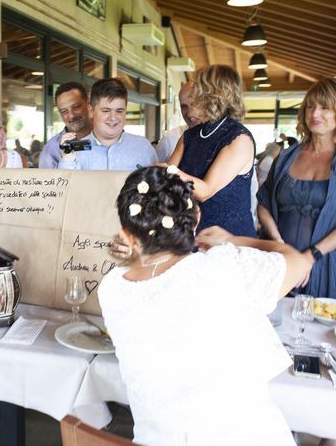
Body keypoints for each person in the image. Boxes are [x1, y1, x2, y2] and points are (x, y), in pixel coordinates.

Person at [99, 166, 311, 446]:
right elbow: (299, 261)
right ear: (196, 217)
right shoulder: (225, 267)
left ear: (127, 234)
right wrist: (234, 240)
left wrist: (135, 252)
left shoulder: (111, 288)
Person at [257, 78, 336, 302]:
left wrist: (310, 257)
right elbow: (263, 204)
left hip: (327, 264)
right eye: (310, 106)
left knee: (324, 330)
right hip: (278, 261)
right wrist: (278, 244)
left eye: (325, 107)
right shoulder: (286, 156)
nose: (315, 113)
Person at [166, 65, 256, 237]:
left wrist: (166, 170)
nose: (192, 94)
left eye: (198, 89)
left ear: (215, 95)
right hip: (190, 235)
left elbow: (205, 191)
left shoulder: (239, 138)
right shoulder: (189, 136)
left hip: (229, 240)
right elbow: (166, 184)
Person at [58, 78, 157, 170]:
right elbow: (64, 186)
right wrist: (67, 159)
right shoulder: (75, 150)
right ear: (91, 110)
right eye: (106, 111)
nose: (113, 118)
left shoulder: (143, 147)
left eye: (119, 111)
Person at [39, 82, 92, 168]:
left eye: (76, 107)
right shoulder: (51, 150)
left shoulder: (108, 139)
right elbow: (47, 181)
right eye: (64, 111)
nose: (71, 115)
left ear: (89, 104)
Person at [154, 81, 198, 162]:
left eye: (194, 104)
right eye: (184, 107)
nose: (189, 113)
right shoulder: (170, 139)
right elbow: (153, 171)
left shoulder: (222, 137)